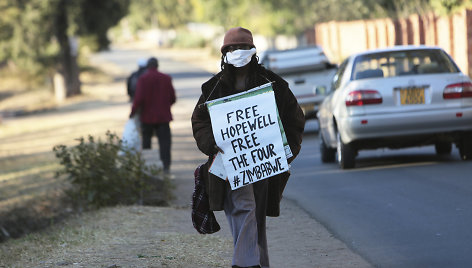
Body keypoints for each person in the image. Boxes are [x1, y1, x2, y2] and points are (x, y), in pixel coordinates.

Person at [191, 27, 305, 268]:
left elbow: (294, 120)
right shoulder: (212, 88)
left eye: (243, 48)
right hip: (228, 166)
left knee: (253, 219)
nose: (238, 53)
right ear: (224, 54)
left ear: (253, 52)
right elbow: (199, 122)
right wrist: (211, 143)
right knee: (245, 210)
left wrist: (285, 154)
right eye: (232, 49)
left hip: (263, 168)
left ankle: (256, 262)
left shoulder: (274, 85)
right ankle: (245, 264)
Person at [130, 57, 176, 173]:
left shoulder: (143, 79)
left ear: (148, 66)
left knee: (146, 143)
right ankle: (166, 167)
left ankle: (147, 168)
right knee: (165, 143)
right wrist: (165, 106)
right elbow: (172, 98)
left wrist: (133, 112)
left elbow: (138, 99)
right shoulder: (166, 78)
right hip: (163, 117)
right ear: (157, 65)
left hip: (147, 117)